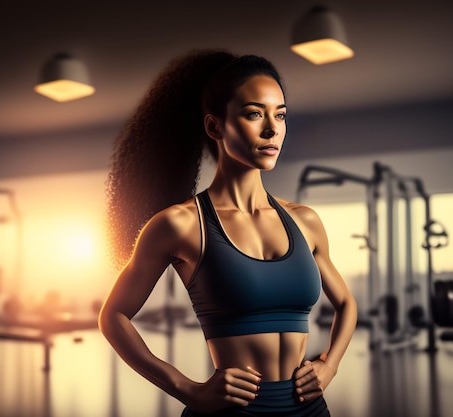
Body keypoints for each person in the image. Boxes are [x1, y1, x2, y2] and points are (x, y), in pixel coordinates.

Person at [98, 49, 357, 417]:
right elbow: (113, 316)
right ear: (214, 127)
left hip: (310, 411)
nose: (272, 129)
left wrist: (330, 365)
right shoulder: (180, 224)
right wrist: (186, 388)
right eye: (254, 114)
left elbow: (346, 303)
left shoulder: (305, 220)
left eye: (280, 115)